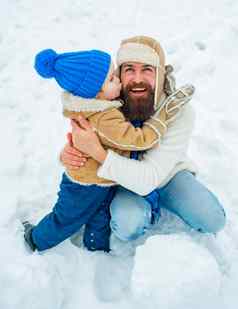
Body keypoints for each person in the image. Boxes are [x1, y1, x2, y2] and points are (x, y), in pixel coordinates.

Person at [60, 36, 226, 300]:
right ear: (119, 74)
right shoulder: (109, 101)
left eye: (147, 70)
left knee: (213, 219)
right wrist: (71, 152)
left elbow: (149, 175)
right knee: (127, 225)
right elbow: (83, 137)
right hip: (122, 180)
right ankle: (140, 209)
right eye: (129, 70)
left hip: (167, 174)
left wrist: (98, 153)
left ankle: (165, 201)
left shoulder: (178, 111)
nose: (137, 79)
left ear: (159, 73)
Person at [23, 47, 193, 252]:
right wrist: (161, 119)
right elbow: (138, 140)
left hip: (102, 179)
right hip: (84, 183)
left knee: (100, 211)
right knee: (67, 217)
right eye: (113, 79)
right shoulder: (106, 116)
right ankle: (36, 239)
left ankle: (96, 245)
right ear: (97, 92)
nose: (120, 82)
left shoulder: (100, 104)